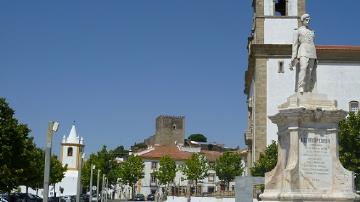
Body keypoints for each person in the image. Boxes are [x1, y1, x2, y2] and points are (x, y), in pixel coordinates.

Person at [290, 13, 317, 94]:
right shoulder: (297, 31)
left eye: (309, 20)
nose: (308, 21)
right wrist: (293, 57)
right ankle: (301, 86)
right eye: (306, 20)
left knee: (311, 70)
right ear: (302, 21)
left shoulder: (311, 32)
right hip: (303, 50)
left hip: (312, 50)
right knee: (303, 68)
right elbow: (294, 45)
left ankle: (308, 88)